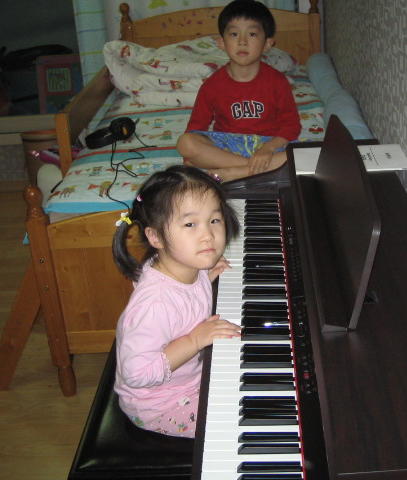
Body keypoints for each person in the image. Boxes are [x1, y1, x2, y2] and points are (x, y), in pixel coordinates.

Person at [111, 164, 241, 437]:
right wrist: (194, 340)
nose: (208, 235)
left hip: (189, 378)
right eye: (190, 224)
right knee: (238, 422)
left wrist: (206, 276)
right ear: (156, 236)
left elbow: (183, 299)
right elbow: (137, 374)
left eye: (214, 220)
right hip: (161, 404)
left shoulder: (184, 266)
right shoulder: (155, 304)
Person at [176, 0, 301, 182]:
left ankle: (235, 172)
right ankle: (251, 170)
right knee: (185, 142)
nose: (242, 41)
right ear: (222, 43)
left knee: (308, 156)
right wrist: (192, 156)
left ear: (268, 44)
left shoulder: (278, 81)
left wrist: (267, 149)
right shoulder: (212, 85)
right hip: (227, 146)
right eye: (234, 34)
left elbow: (292, 126)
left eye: (252, 34)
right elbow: (196, 128)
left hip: (268, 145)